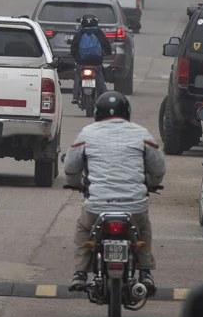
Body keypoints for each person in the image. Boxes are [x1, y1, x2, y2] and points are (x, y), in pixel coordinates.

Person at [63, 92, 165, 294]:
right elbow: (158, 168)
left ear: (96, 113)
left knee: (84, 228)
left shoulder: (87, 133)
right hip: (134, 206)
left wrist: (76, 184)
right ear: (127, 112)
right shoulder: (142, 134)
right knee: (142, 228)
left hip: (97, 206)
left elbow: (70, 167)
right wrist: (150, 184)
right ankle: (145, 273)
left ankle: (80, 273)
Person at [68, 15, 112, 101]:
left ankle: (75, 97)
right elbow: (106, 46)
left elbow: (73, 47)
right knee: (100, 79)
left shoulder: (79, 34)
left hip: (82, 63)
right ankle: (104, 97)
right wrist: (107, 53)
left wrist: (76, 57)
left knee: (78, 77)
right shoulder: (99, 33)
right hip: (96, 63)